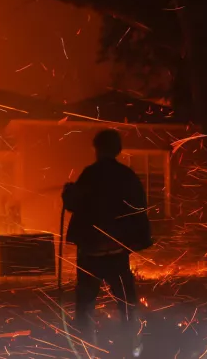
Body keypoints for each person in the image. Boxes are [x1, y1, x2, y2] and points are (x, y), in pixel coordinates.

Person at [62, 129, 152, 354]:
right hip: (116, 252)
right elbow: (139, 207)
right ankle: (130, 348)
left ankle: (85, 350)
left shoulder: (90, 174)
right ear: (118, 150)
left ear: (97, 149)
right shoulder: (126, 176)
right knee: (127, 305)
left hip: (91, 253)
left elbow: (74, 204)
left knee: (85, 307)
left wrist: (68, 193)